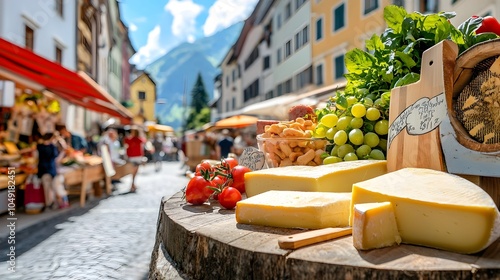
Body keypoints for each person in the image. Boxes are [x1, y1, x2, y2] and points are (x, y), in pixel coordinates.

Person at [36, 133, 69, 209]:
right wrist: (63, 151)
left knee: (47, 188)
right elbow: (56, 160)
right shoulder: (52, 147)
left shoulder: (39, 146)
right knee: (54, 187)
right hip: (51, 169)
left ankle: (49, 204)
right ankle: (57, 203)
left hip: (43, 170)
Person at [124, 127, 146, 193]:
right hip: (138, 157)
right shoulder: (140, 139)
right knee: (135, 171)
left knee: (133, 171)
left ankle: (133, 184)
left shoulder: (129, 139)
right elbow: (142, 146)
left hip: (132, 157)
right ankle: (132, 184)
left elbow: (126, 146)